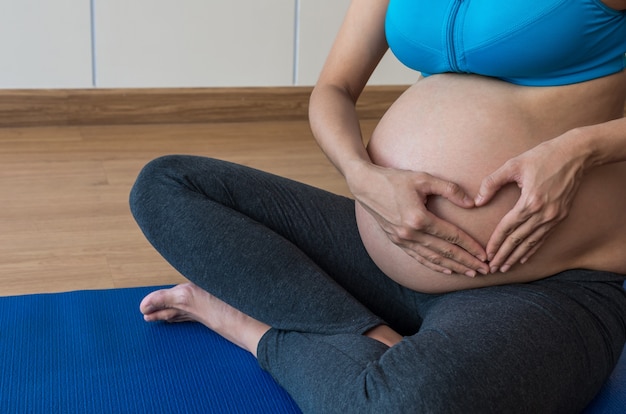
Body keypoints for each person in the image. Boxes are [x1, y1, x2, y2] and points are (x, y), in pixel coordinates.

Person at [129, 0, 626, 412]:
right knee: (166, 186)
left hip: (544, 285)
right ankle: (364, 330)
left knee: (401, 405)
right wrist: (360, 175)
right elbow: (333, 90)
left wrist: (581, 149)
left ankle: (247, 326)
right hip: (389, 240)